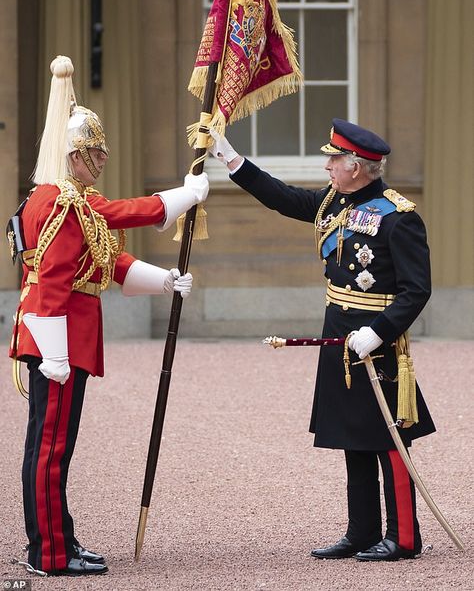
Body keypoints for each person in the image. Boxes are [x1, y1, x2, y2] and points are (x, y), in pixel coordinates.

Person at [8, 55, 209, 577]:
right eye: (91, 153)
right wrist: (182, 196)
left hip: (62, 334)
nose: (98, 161)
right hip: (57, 337)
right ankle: (49, 553)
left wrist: (162, 279)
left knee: (52, 449)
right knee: (50, 450)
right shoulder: (59, 201)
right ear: (73, 154)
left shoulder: (63, 198)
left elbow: (104, 258)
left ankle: (58, 539)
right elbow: (55, 277)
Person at [209, 118, 436, 562]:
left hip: (378, 340)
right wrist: (231, 160)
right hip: (338, 331)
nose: (328, 164)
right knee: (353, 435)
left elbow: (417, 289)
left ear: (356, 166)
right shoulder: (334, 200)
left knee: (390, 439)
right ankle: (362, 531)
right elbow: (285, 199)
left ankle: (405, 537)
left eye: (334, 158)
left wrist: (379, 332)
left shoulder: (399, 216)